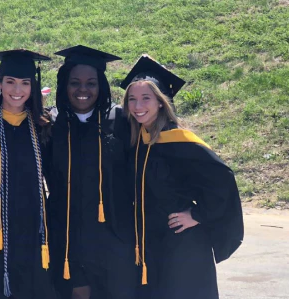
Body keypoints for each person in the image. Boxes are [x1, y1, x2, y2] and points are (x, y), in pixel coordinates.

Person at [120, 55, 244, 299]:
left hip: (182, 243)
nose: (137, 106)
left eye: (146, 98)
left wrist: (197, 215)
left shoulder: (181, 142)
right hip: (150, 242)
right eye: (132, 99)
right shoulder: (138, 143)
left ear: (161, 103)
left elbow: (222, 180)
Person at [46, 45, 138, 299]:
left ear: (102, 86)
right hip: (69, 236)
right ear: (64, 85)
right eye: (75, 82)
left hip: (115, 236)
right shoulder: (52, 127)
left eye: (91, 83)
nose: (83, 90)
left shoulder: (122, 122)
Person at [0, 49, 57, 299]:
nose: (17, 90)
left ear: (33, 87)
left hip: (33, 225)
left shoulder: (44, 127)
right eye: (10, 82)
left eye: (24, 83)